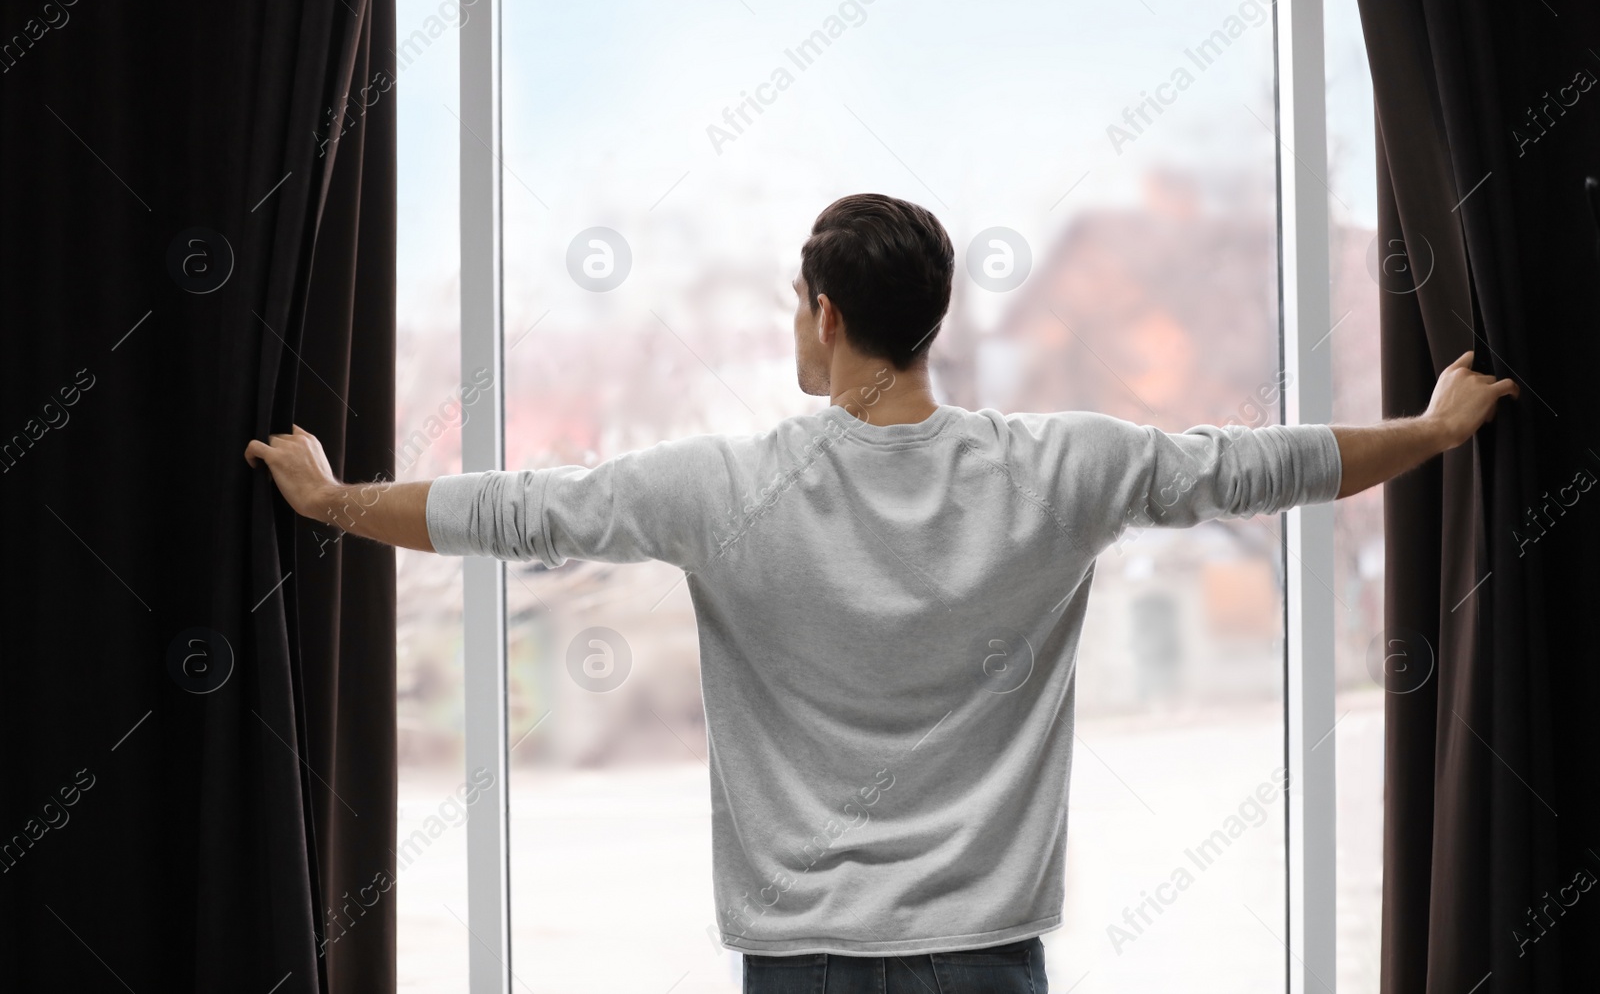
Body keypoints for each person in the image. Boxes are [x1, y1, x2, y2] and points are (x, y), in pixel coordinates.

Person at [245, 193, 1518, 993]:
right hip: (987, 954)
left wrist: (335, 500)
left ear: (827, 313)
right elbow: (1265, 464)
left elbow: (516, 505)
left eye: (796, 308)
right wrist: (1433, 429)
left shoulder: (718, 487)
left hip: (801, 961)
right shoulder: (1063, 465)